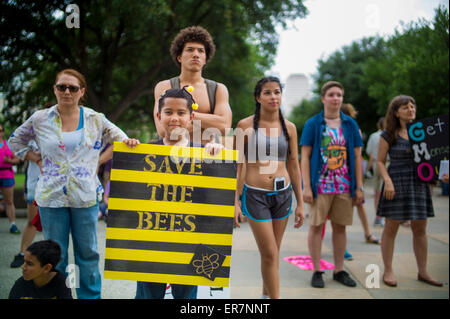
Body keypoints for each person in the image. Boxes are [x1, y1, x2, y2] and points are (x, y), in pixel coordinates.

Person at [8, 68, 140, 299]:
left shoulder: (95, 119)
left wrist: (101, 159)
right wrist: (34, 157)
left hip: (85, 196)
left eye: (73, 87)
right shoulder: (40, 119)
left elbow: (122, 140)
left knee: (87, 252)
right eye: (62, 87)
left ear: (82, 91)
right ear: (55, 89)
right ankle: (58, 295)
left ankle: (89, 296)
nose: (67, 91)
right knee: (55, 255)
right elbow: (15, 140)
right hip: (51, 197)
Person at [136, 86, 223, 299]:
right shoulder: (144, 152)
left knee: (186, 295)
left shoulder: (205, 153)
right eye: (168, 112)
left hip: (191, 240)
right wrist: (130, 151)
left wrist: (218, 154)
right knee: (150, 293)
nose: (174, 118)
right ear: (158, 116)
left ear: (191, 117)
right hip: (152, 239)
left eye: (181, 113)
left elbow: (215, 194)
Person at [234, 76, 305, 299]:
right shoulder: (244, 126)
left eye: (277, 92)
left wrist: (300, 202)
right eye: (267, 92)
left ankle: (265, 295)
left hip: (283, 196)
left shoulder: (290, 127)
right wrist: (235, 200)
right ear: (258, 97)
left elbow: (294, 164)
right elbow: (238, 164)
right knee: (270, 253)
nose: (273, 96)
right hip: (256, 196)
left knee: (273, 253)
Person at [300, 81, 363, 289]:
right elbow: (305, 156)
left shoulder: (350, 125)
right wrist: (306, 187)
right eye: (332, 94)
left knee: (340, 228)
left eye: (339, 95)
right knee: (316, 227)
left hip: (344, 186)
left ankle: (338, 270)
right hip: (321, 186)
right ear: (323, 98)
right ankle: (317, 270)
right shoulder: (313, 124)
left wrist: (359, 186)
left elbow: (356, 155)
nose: (336, 98)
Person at [376, 95, 442, 287]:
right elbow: (380, 161)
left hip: (419, 183)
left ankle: (423, 271)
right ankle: (388, 270)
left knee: (420, 229)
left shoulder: (423, 132)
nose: (410, 109)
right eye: (405, 107)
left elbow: (432, 159)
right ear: (396, 112)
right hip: (396, 182)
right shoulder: (388, 134)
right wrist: (387, 181)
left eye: (412, 106)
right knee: (391, 228)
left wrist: (442, 173)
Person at [153, 26, 232, 145]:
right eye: (190, 50)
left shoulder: (218, 89)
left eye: (201, 51)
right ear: (179, 57)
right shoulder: (164, 86)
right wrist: (208, 123)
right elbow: (163, 131)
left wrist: (184, 117)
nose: (195, 54)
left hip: (206, 158)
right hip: (173, 156)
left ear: (205, 59)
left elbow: (225, 127)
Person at [340, 103, 380, 245]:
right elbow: (359, 154)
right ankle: (368, 233)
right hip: (350, 171)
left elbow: (357, 153)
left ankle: (367, 234)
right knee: (358, 205)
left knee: (353, 205)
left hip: (344, 171)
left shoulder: (351, 127)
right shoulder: (354, 127)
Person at [10, 140, 41, 267]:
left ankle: (54, 258)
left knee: (55, 225)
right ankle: (23, 253)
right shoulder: (31, 133)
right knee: (31, 221)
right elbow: (18, 150)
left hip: (56, 186)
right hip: (34, 185)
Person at [0, 124, 21, 234]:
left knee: (9, 201)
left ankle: (13, 224)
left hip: (6, 173)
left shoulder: (8, 145)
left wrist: (10, 161)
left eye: (0, 130)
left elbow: (17, 159)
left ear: (3, 132)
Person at [366, 117, 386, 226]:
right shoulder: (390, 135)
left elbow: (370, 153)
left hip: (375, 164)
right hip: (387, 163)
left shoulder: (373, 136)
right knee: (385, 191)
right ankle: (384, 216)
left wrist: (368, 168)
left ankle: (378, 216)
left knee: (377, 192)